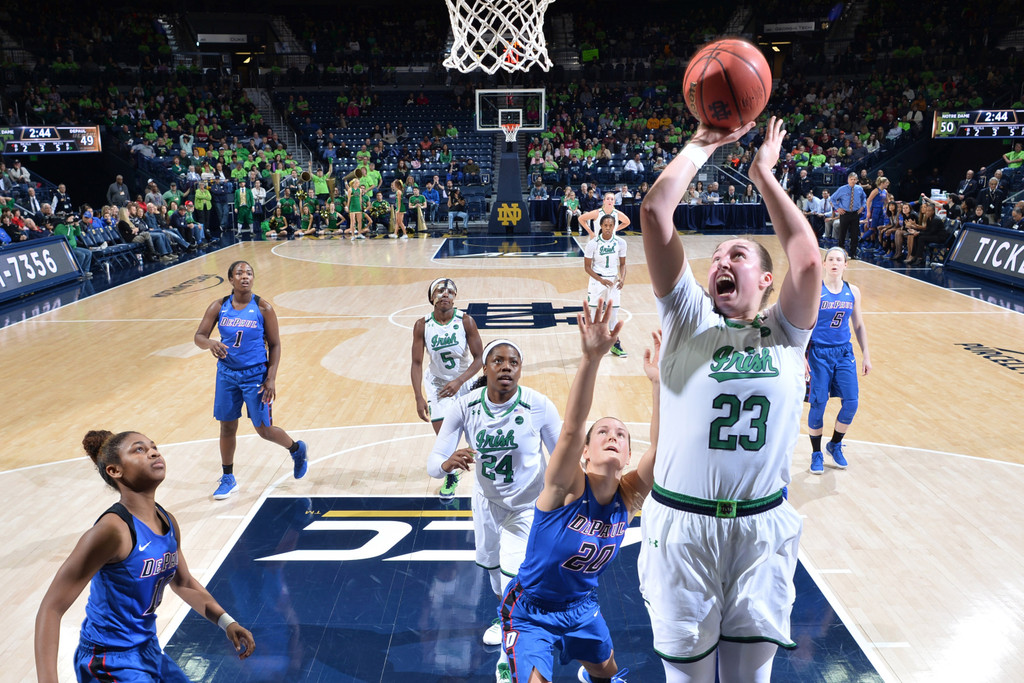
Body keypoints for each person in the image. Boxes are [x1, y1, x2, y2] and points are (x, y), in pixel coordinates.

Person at [639, 117, 821, 683]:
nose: (721, 261)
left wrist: (763, 174)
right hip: (682, 525)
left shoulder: (788, 332)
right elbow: (653, 214)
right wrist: (700, 145)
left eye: (738, 254)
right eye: (715, 256)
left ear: (767, 281)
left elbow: (808, 259)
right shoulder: (688, 317)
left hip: (759, 529)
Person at [498, 303, 660, 683]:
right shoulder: (567, 486)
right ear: (585, 452)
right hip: (530, 609)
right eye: (602, 431)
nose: (612, 436)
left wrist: (658, 383)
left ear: (628, 456)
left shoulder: (629, 497)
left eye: (621, 434)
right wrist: (591, 358)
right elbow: (570, 429)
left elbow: (663, 448)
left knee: (607, 676)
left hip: (581, 607)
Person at [35, 430, 256, 682]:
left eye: (153, 446)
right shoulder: (112, 531)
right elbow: (51, 608)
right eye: (139, 449)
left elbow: (184, 583)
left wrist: (227, 622)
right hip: (109, 659)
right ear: (115, 471)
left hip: (148, 650)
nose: (153, 452)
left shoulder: (167, 520)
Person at [427, 339, 562, 681]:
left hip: (528, 506)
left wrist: (566, 501)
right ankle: (505, 617)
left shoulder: (538, 406)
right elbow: (433, 463)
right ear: (484, 368)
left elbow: (563, 457)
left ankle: (509, 652)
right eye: (498, 361)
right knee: (493, 574)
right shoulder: (465, 405)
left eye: (513, 362)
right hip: (486, 502)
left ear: (520, 369)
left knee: (513, 574)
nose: (506, 367)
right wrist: (446, 464)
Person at [193, 261, 309, 499]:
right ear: (230, 279)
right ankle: (228, 477)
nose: (244, 277)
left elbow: (275, 345)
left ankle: (296, 449)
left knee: (264, 430)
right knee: (227, 425)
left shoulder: (263, 307)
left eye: (248, 273)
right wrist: (210, 343)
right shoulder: (218, 306)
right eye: (239, 273)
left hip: (256, 375)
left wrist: (272, 378)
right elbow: (199, 336)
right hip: (226, 374)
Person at [411, 278, 484, 498]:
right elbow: (416, 363)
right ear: (432, 297)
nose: (446, 294)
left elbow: (480, 358)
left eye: (450, 292)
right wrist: (418, 397)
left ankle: (489, 472)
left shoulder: (466, 321)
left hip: (466, 382)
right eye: (440, 291)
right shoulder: (422, 325)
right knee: (444, 436)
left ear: (455, 297)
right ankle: (451, 474)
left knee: (477, 434)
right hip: (438, 384)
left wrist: (460, 381)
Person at [807, 247, 871, 474]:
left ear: (846, 265)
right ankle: (816, 452)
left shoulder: (852, 291)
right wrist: (802, 356)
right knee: (819, 403)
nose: (835, 262)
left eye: (839, 259)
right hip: (818, 352)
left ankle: (834, 444)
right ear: (824, 264)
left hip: (844, 352)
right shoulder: (815, 290)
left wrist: (866, 354)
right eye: (831, 259)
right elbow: (804, 325)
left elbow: (859, 325)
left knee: (851, 402)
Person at [584, 214, 628, 358]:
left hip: (613, 282)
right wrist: (601, 280)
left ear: (614, 226)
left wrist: (622, 278)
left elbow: (622, 264)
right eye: (605, 225)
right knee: (592, 314)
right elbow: (587, 267)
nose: (608, 228)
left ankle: (615, 345)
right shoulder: (593, 243)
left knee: (613, 314)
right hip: (597, 281)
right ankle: (591, 345)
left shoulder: (621, 243)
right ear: (601, 226)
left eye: (611, 225)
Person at [830, 171, 868, 259]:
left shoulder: (859, 189)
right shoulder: (842, 189)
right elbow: (832, 198)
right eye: (851, 179)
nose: (853, 181)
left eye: (855, 179)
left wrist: (863, 206)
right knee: (842, 232)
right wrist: (838, 208)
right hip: (845, 213)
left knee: (855, 234)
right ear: (848, 180)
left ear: (857, 180)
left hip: (855, 213)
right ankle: (840, 252)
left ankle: (853, 253)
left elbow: (864, 198)